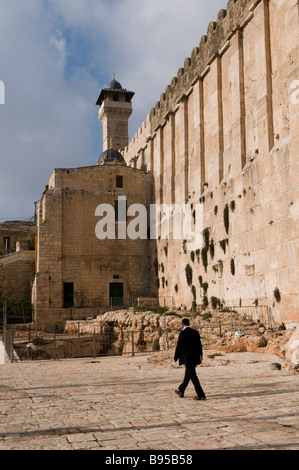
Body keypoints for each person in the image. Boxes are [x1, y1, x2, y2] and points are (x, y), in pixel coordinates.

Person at [174, 318, 206, 400]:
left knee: (193, 376)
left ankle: (201, 394)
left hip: (187, 358)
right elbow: (199, 346)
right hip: (195, 357)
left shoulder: (183, 333)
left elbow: (179, 346)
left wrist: (176, 356)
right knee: (188, 374)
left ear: (182, 324)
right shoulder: (195, 332)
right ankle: (181, 390)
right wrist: (200, 356)